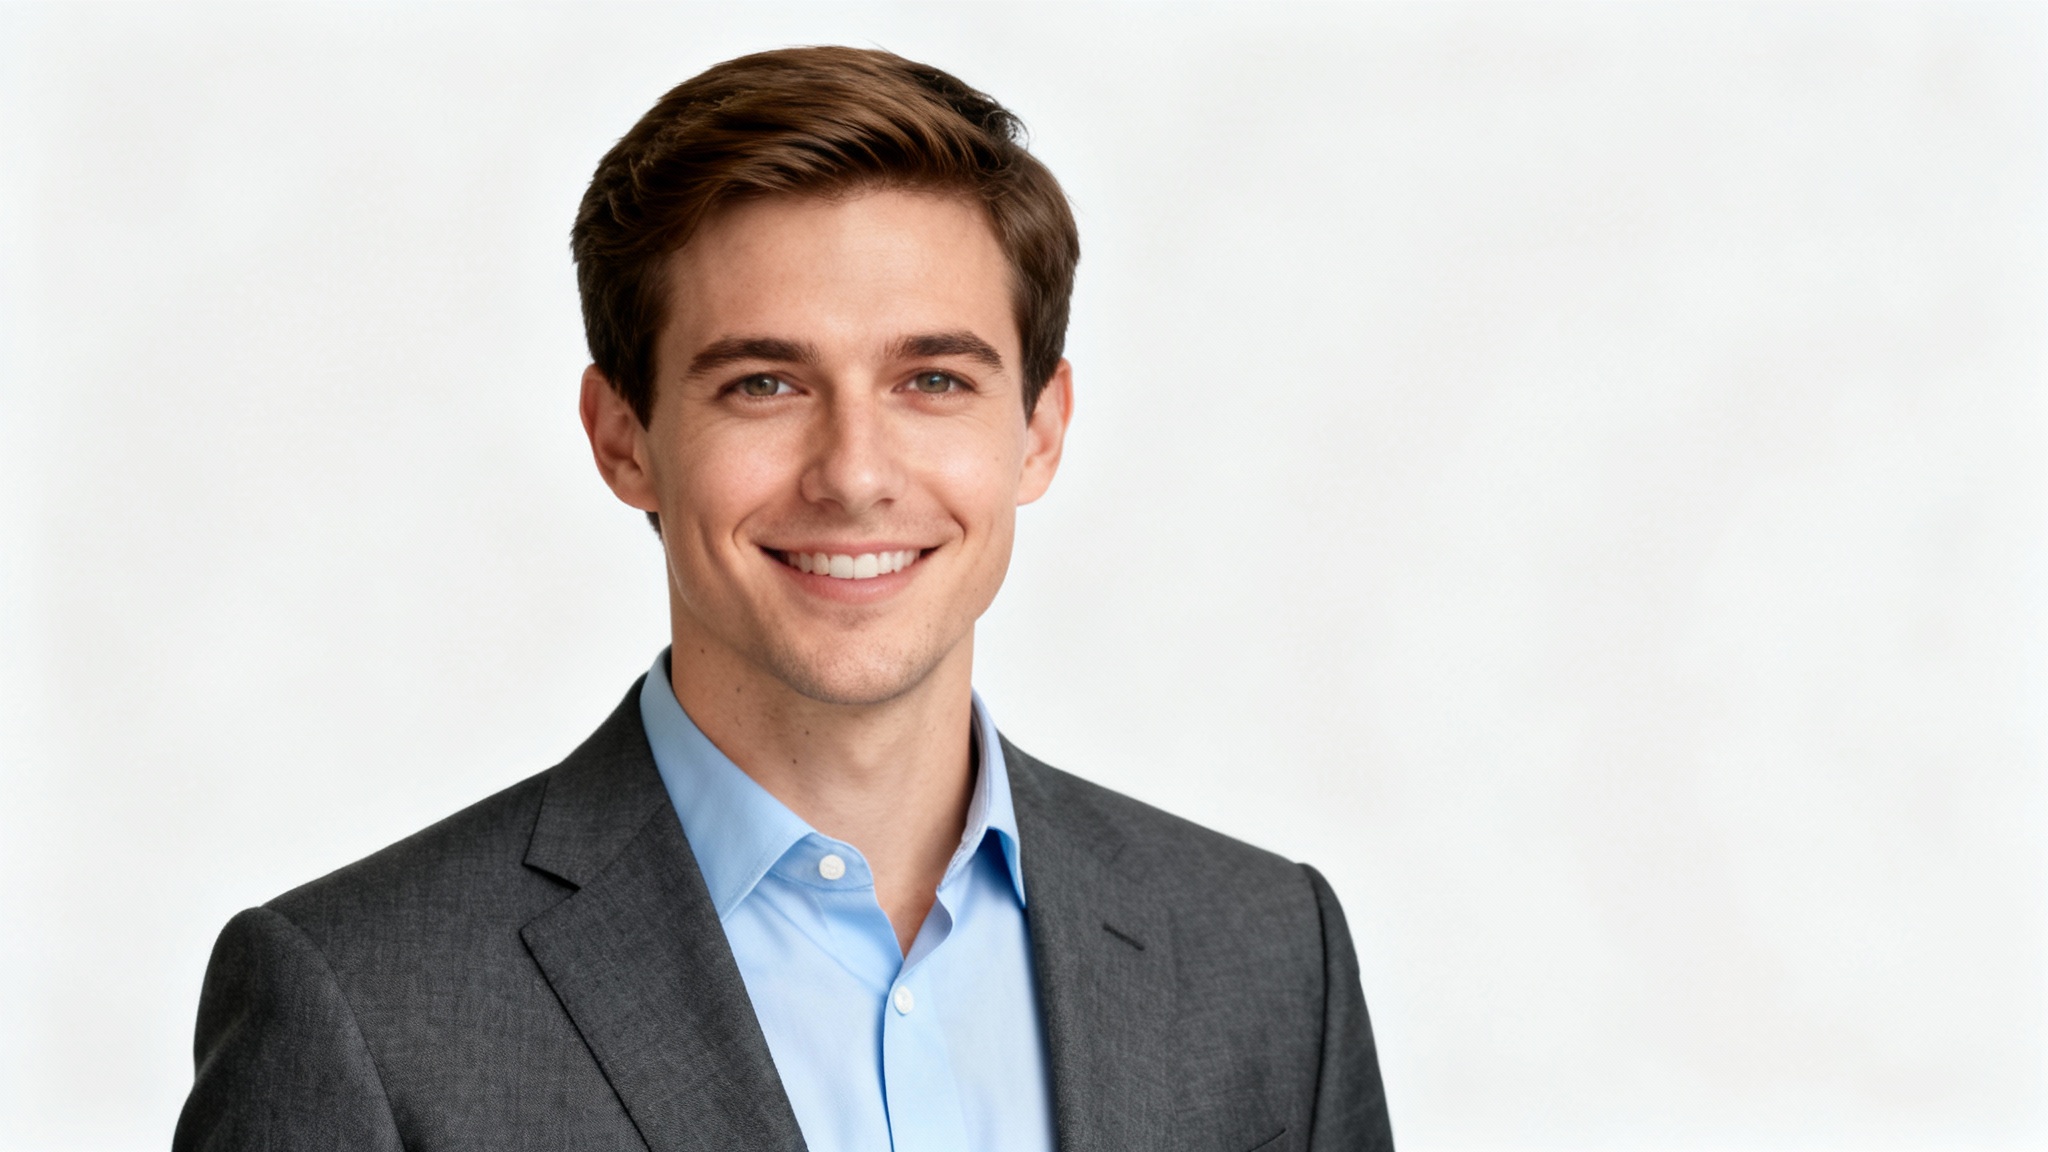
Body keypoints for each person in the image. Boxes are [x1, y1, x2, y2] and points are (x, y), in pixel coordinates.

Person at [173, 46, 1394, 1152]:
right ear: (623, 440)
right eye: (762, 383)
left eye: (931, 378)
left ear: (1038, 430)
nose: (854, 474)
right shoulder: (361, 1003)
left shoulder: (1267, 959)